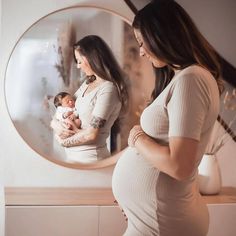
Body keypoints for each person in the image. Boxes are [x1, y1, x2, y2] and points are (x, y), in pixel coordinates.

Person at [111, 1, 223, 235]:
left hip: (164, 222)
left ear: (163, 35)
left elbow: (179, 166)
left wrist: (137, 139)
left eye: (143, 42)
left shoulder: (192, 79)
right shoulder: (183, 77)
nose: (140, 51)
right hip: (156, 218)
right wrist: (134, 204)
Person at [51, 35, 128, 163]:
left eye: (79, 61)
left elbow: (92, 134)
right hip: (72, 159)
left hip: (91, 160)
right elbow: (61, 111)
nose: (78, 66)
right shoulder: (87, 84)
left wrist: (63, 141)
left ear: (93, 59)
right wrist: (57, 128)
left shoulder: (107, 89)